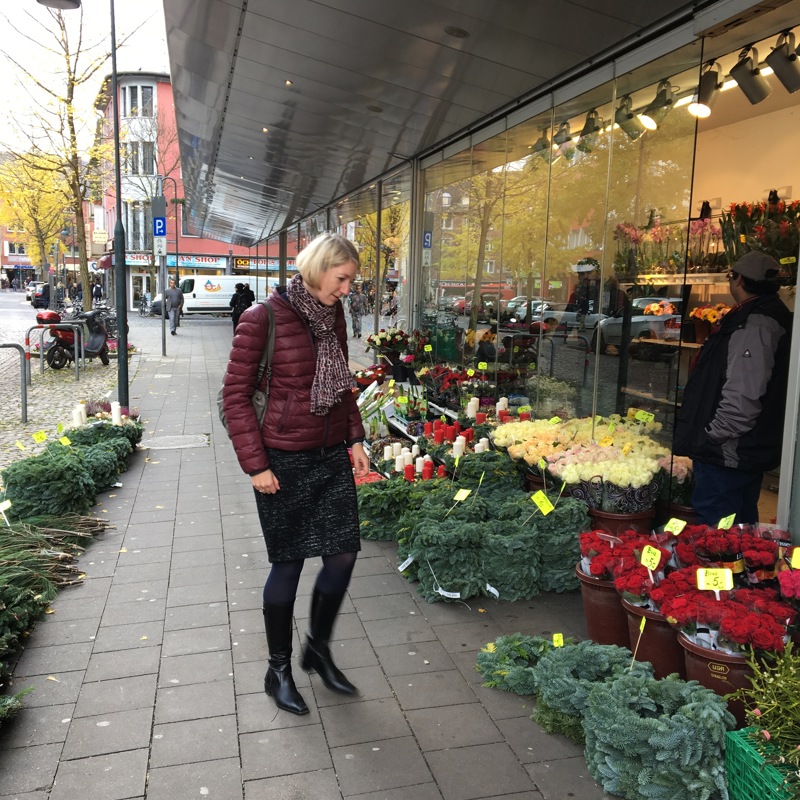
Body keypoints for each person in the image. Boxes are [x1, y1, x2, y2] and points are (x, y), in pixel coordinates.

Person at [222, 232, 369, 716]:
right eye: (342, 278)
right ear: (318, 267)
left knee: (343, 555)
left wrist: (356, 439)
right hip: (282, 461)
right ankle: (278, 669)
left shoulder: (334, 316)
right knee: (288, 563)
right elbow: (235, 397)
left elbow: (342, 383)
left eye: (351, 281)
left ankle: (318, 650)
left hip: (329, 456)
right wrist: (256, 465)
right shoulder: (261, 317)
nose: (347, 288)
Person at [674, 251, 792, 525]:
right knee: (740, 524)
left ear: (738, 279)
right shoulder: (766, 314)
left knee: (716, 529)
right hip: (743, 449)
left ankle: (720, 567)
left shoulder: (756, 323)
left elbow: (743, 392)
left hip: (729, 452)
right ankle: (737, 566)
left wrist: (713, 435)